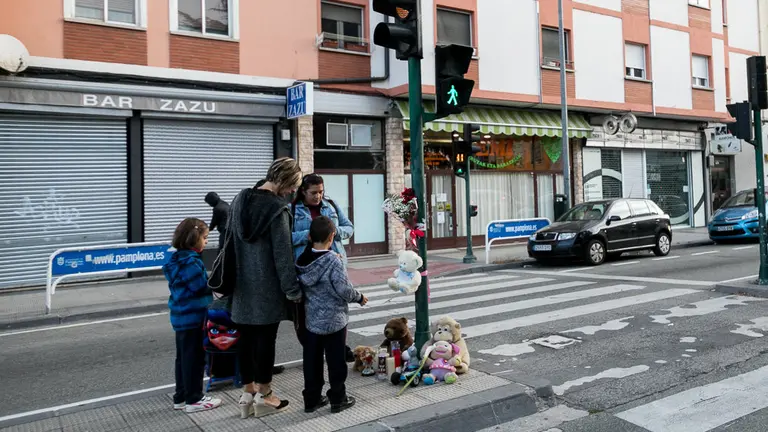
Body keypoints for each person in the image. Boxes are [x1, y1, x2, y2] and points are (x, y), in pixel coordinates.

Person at [229, 157, 303, 419]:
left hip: (240, 285)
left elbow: (228, 240)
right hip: (267, 289)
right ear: (284, 181)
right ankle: (265, 394)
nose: (292, 191)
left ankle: (247, 393)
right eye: (293, 185)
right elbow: (283, 257)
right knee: (264, 341)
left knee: (245, 340)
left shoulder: (240, 200)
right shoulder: (277, 210)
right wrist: (293, 291)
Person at [296, 216, 367, 414]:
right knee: (336, 361)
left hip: (312, 320)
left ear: (309, 236)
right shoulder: (333, 261)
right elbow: (344, 290)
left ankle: (311, 399)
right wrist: (359, 297)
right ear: (333, 236)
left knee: (312, 360)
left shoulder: (301, 260)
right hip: (335, 319)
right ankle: (337, 398)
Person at [290, 173, 356, 362]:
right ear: (303, 191)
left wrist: (333, 233)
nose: (318, 196)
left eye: (321, 192)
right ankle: (314, 351)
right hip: (308, 267)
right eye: (313, 193)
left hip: (334, 263)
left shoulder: (330, 205)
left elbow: (349, 227)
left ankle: (338, 348)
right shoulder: (293, 209)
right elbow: (286, 237)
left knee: (337, 310)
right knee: (308, 313)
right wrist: (307, 235)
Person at [163, 218, 222, 413]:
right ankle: (194, 398)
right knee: (195, 359)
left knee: (183, 358)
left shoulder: (176, 259)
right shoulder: (191, 262)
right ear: (194, 238)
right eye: (204, 238)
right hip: (194, 316)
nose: (206, 242)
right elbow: (199, 287)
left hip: (180, 317)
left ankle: (180, 396)